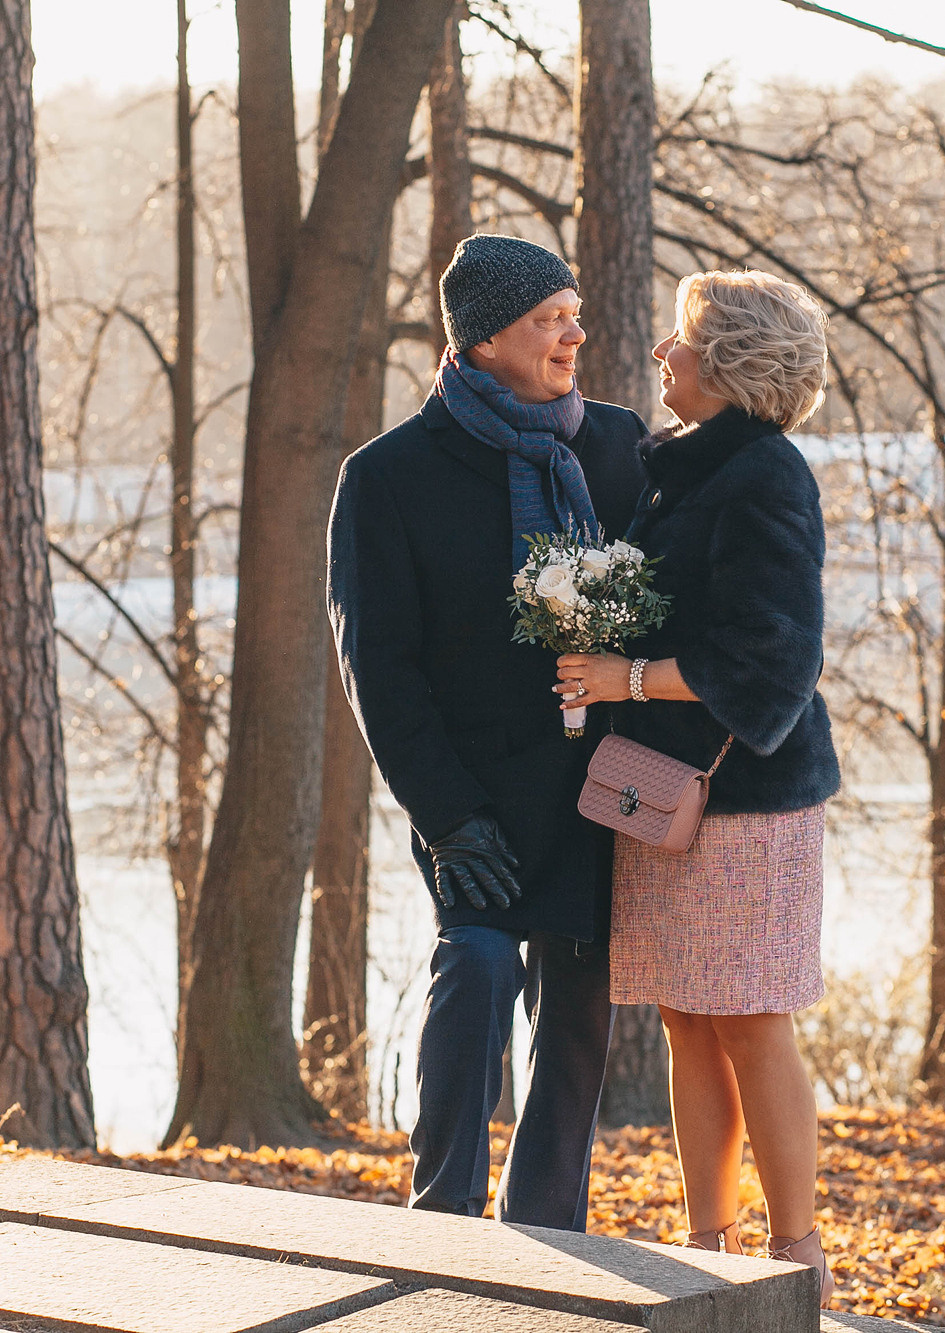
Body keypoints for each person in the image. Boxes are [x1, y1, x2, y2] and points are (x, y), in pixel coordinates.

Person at [327, 234, 647, 1229]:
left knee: (577, 1016)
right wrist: (450, 817)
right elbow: (379, 667)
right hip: (469, 797)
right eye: (549, 319)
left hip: (589, 784)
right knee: (473, 964)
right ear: (485, 339)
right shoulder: (386, 477)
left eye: (572, 313)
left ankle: (545, 1236)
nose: (572, 336)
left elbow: (654, 610)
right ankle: (442, 1220)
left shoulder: (613, 444)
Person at [555, 271, 841, 1300]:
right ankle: (708, 1248)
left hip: (749, 798)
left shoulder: (765, 474)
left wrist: (621, 676)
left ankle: (795, 1252)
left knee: (751, 1013)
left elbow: (773, 659)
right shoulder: (675, 467)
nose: (664, 358)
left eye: (681, 345)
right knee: (685, 1014)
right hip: (661, 785)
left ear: (726, 366)